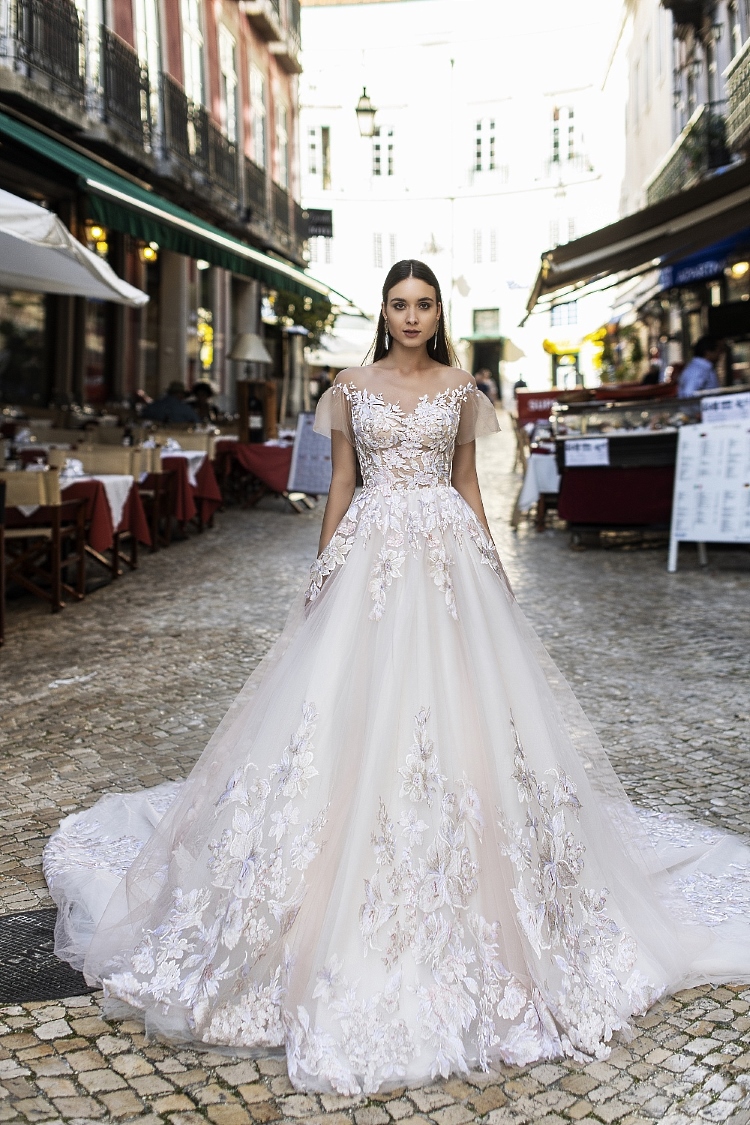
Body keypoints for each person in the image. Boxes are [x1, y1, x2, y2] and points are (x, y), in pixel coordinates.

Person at [43, 260, 750, 1095]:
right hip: (373, 551)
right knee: (349, 707)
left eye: (424, 305)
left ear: (438, 312)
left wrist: (492, 568)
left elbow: (465, 485)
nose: (411, 316)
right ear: (383, 311)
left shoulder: (463, 386)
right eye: (399, 304)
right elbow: (341, 481)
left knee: (459, 705)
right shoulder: (348, 385)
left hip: (446, 554)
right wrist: (323, 570)